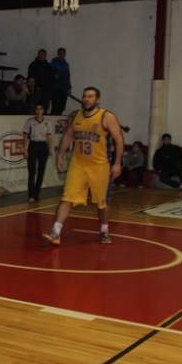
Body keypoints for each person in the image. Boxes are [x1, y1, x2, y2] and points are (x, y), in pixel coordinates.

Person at [43, 87, 125, 246]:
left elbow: (119, 140)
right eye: (85, 96)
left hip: (100, 166)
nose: (86, 99)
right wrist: (60, 154)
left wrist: (117, 162)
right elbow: (68, 135)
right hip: (78, 165)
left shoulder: (106, 117)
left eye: (90, 97)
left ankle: (104, 230)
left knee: (103, 202)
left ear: (98, 100)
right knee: (67, 198)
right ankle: (56, 232)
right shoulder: (75, 116)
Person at [23, 104, 52, 202]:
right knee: (32, 171)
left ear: (43, 110)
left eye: (40, 109)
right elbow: (26, 136)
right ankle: (31, 195)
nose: (38, 111)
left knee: (41, 171)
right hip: (33, 145)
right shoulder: (30, 122)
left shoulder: (47, 122)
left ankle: (36, 194)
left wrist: (50, 148)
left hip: (43, 145)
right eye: (37, 109)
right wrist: (25, 149)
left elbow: (49, 136)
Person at [50, 48, 72, 115]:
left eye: (63, 53)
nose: (62, 54)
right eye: (60, 53)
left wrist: (69, 88)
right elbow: (48, 74)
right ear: (58, 54)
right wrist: (53, 75)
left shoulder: (66, 65)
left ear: (65, 54)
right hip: (55, 88)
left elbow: (68, 76)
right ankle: (53, 120)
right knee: (55, 106)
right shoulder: (52, 64)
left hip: (64, 88)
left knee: (62, 107)